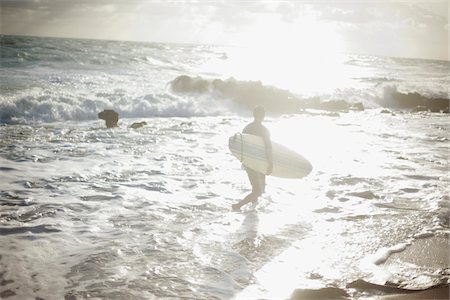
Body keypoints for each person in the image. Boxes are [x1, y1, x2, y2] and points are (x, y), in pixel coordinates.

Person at [232, 106, 273, 211]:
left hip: (249, 162)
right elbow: (268, 148)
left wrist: (243, 160)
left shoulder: (247, 128)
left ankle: (253, 211)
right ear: (263, 116)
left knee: (257, 188)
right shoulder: (264, 130)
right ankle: (238, 206)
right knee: (259, 190)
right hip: (260, 163)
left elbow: (242, 145)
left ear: (253, 115)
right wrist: (270, 164)